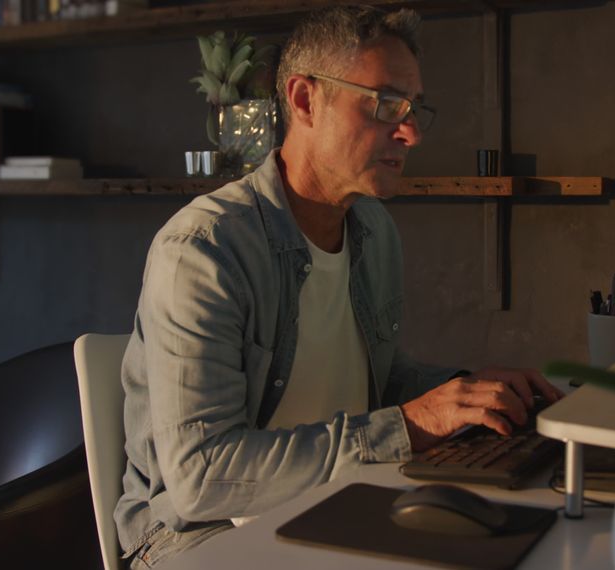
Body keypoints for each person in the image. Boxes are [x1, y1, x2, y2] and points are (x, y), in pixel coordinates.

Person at [115, 5, 564, 568]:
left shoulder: (373, 230)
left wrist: (463, 392)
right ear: (304, 100)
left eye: (415, 108)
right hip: (193, 536)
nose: (412, 132)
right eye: (385, 105)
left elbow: (367, 376)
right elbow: (201, 479)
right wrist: (409, 425)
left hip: (330, 503)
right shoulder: (205, 249)